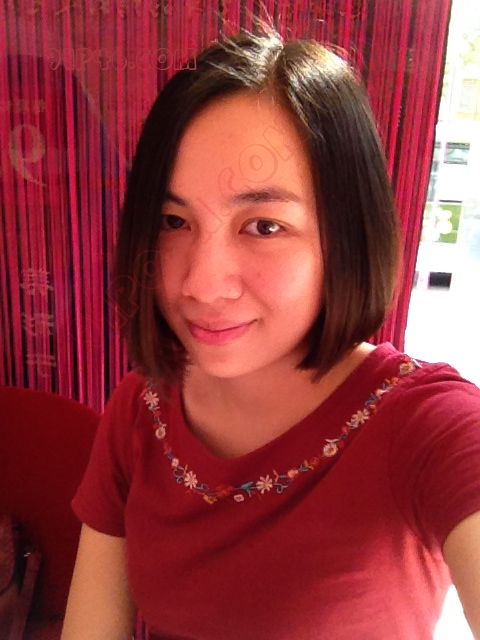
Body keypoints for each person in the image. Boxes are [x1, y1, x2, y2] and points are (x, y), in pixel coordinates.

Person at [61, 21, 480, 640]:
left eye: (263, 226)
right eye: (174, 221)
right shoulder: (140, 411)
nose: (201, 284)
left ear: (345, 237)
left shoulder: (429, 427)